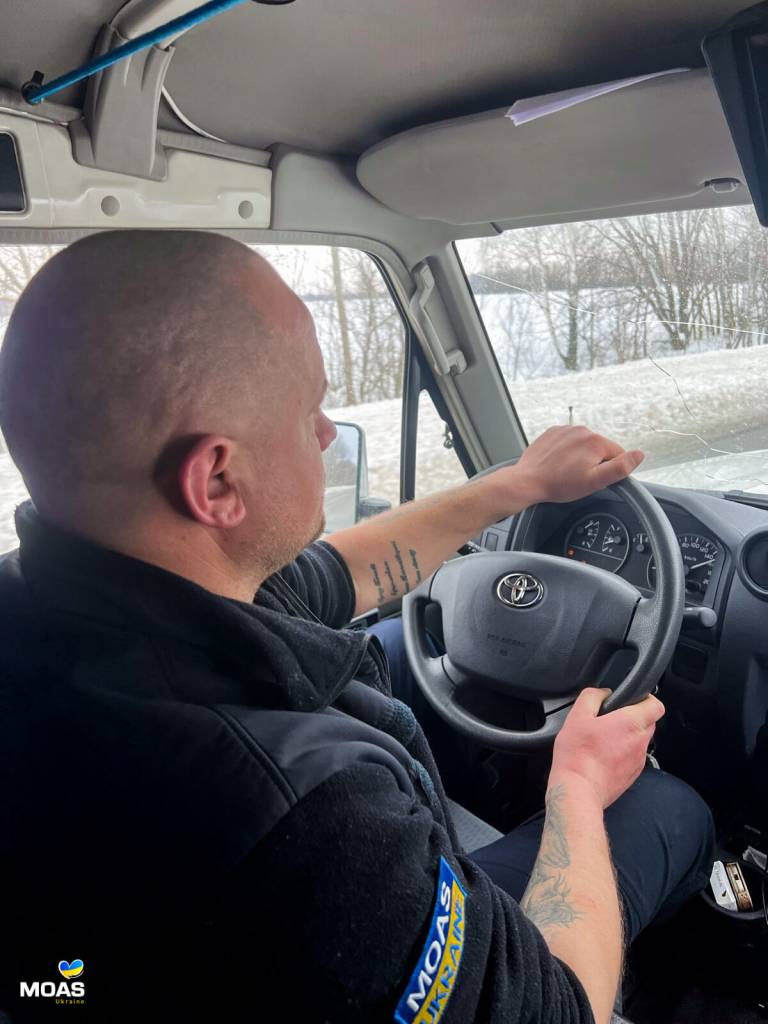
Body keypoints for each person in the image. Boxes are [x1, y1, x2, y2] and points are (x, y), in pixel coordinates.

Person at [0, 231, 713, 1024]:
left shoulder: (73, 593)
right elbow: (559, 1012)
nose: (327, 433)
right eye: (309, 410)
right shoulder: (311, 819)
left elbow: (340, 573)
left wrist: (516, 485)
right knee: (669, 810)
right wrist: (576, 783)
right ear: (218, 479)